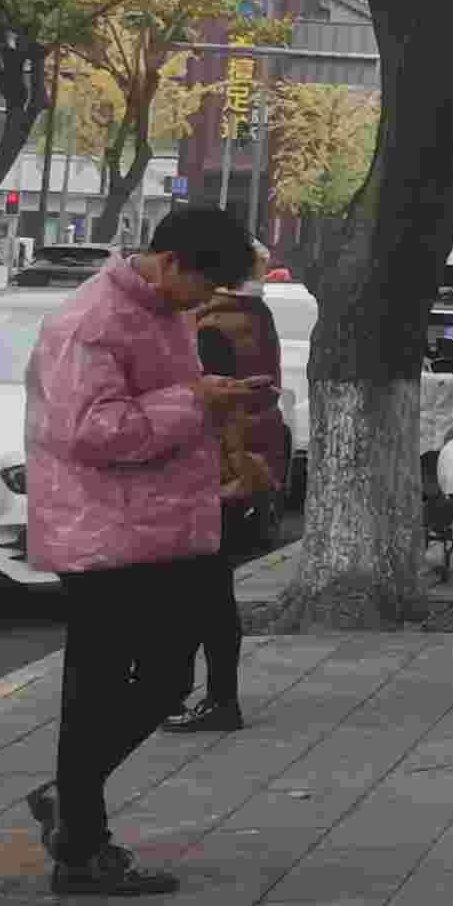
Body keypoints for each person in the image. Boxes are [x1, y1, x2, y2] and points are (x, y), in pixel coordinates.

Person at [21, 205, 266, 894]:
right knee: (99, 689)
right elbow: (91, 431)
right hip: (103, 532)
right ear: (171, 263)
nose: (205, 301)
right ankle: (80, 844)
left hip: (160, 527)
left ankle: (71, 805)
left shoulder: (165, 312)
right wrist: (196, 401)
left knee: (165, 677)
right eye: (203, 285)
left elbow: (166, 401)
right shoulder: (89, 323)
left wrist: (216, 401)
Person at [166, 242, 290, 735]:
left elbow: (206, 404)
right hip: (240, 468)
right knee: (205, 589)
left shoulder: (214, 326)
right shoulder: (252, 316)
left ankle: (215, 698)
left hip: (220, 472)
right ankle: (199, 694)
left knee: (202, 591)